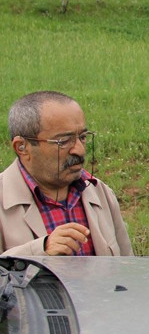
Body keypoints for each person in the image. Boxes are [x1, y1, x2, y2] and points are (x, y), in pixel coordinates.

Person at [0, 91, 133, 256]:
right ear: (22, 147)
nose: (79, 149)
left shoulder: (100, 193)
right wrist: (41, 251)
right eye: (63, 141)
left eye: (82, 137)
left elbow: (128, 269)